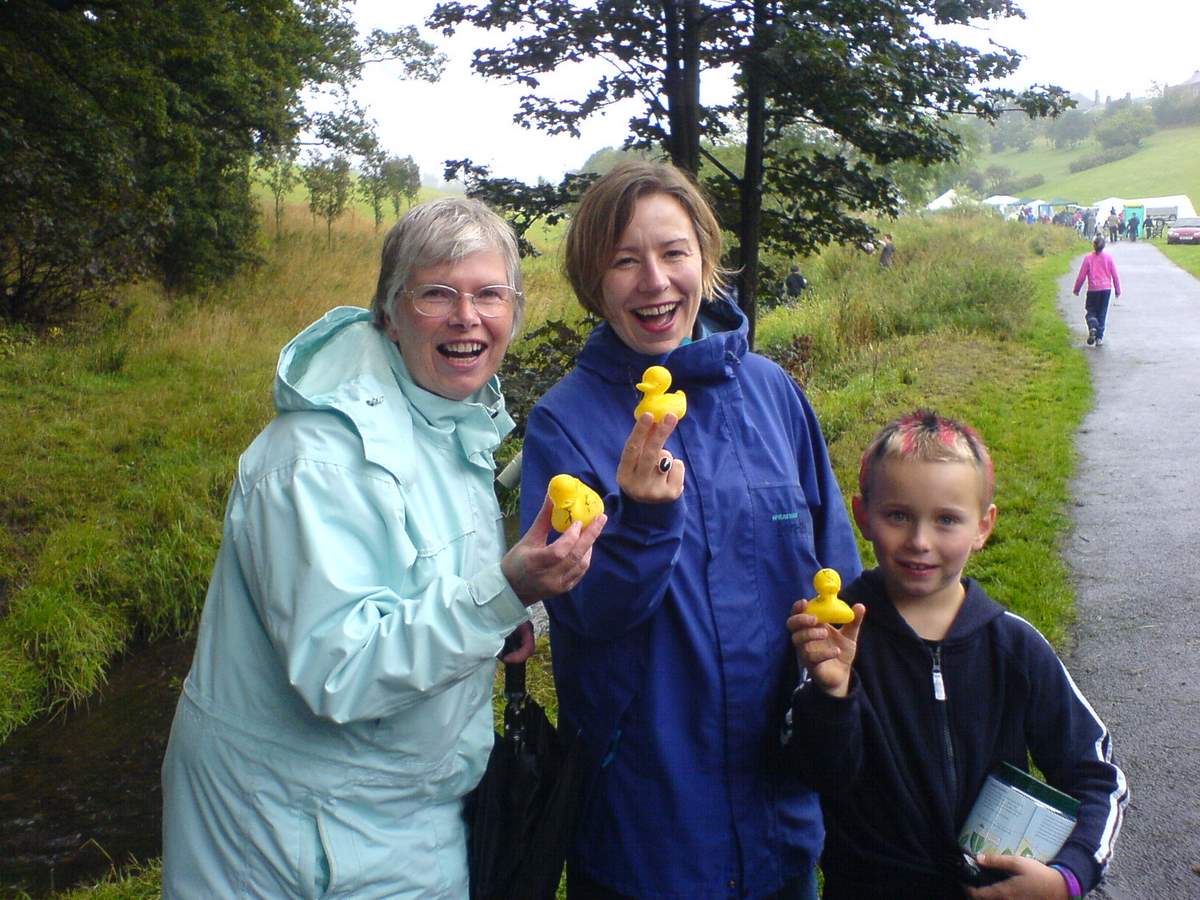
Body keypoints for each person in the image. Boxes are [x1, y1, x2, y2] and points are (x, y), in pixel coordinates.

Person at [161, 198, 606, 898]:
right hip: (297, 834)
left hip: (398, 813)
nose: (467, 317)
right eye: (437, 294)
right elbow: (343, 668)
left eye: (490, 294)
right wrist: (503, 594)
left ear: (514, 313)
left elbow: (424, 586)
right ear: (389, 313)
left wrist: (504, 622)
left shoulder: (445, 424)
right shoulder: (319, 461)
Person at [519, 160, 862, 898]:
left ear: (706, 261)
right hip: (645, 835)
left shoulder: (774, 395)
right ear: (592, 279)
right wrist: (642, 518)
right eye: (623, 260)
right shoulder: (564, 424)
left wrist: (841, 696)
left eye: (674, 252)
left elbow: (841, 581)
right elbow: (585, 610)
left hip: (782, 819)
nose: (654, 281)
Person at [786, 410, 1127, 899]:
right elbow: (817, 776)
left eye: (947, 519)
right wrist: (833, 694)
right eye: (898, 515)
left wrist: (1066, 878)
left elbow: (1098, 775)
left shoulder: (1014, 646)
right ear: (863, 516)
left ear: (983, 526)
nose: (920, 542)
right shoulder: (834, 642)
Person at [1073, 234, 1122, 347]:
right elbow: (1115, 275)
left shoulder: (1088, 258)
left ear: (1093, 246)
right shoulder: (1108, 258)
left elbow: (1081, 276)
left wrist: (1077, 289)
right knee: (1102, 312)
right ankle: (1099, 337)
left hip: (1093, 290)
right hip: (1106, 289)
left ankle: (1093, 326)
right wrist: (1117, 289)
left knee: (1091, 311)